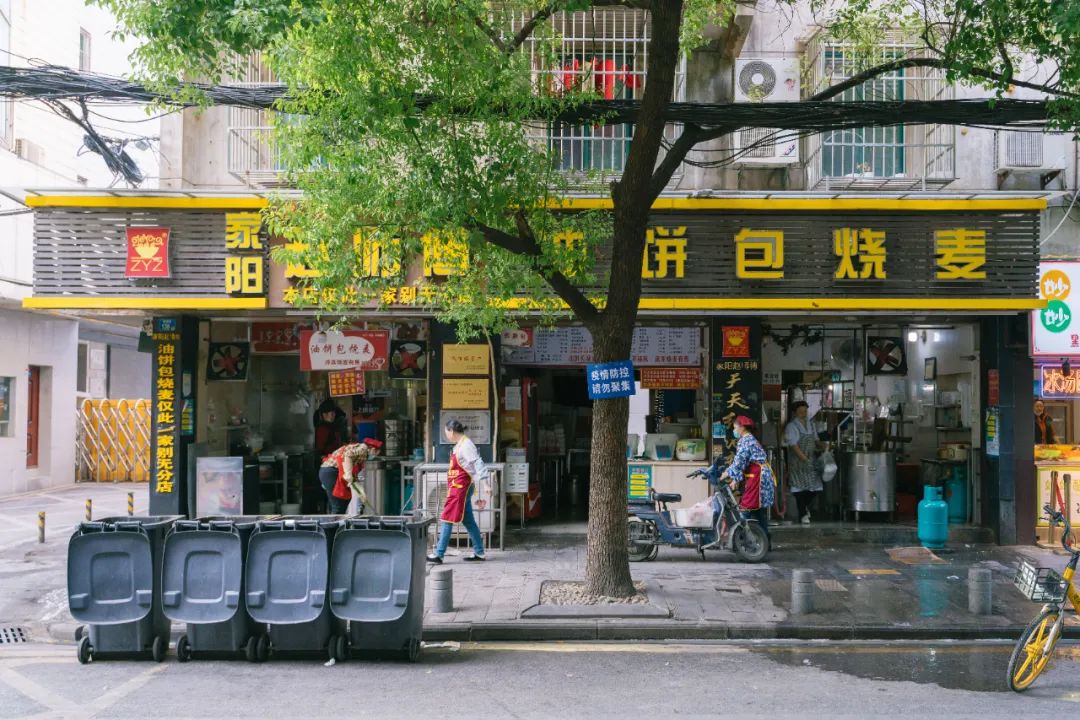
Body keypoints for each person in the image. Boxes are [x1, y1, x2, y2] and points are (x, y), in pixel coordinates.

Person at [427, 420, 488, 564]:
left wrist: (486, 483)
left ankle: (439, 554)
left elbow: (477, 462)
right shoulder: (460, 445)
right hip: (458, 487)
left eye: (446, 431)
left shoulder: (466, 445)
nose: (446, 434)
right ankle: (479, 552)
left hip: (461, 488)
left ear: (451, 431)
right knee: (468, 521)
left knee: (447, 517)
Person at [717, 415, 774, 546]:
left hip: (758, 478)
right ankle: (765, 542)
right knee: (759, 512)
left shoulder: (745, 441)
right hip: (759, 476)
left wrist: (726, 475)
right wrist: (734, 478)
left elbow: (739, 462)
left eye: (735, 427)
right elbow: (741, 463)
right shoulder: (750, 439)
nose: (734, 430)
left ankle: (741, 540)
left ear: (742, 427)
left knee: (746, 507)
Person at [784, 400, 823, 525]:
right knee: (799, 489)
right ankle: (803, 514)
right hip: (798, 462)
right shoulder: (792, 426)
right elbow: (793, 445)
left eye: (805, 411)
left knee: (815, 487)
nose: (803, 413)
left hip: (811, 459)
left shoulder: (811, 424)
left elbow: (816, 440)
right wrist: (803, 458)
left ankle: (804, 507)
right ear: (795, 412)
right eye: (800, 411)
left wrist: (824, 446)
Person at [319, 438, 382, 514]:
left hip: (330, 472)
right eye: (376, 453)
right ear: (373, 449)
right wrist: (348, 474)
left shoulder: (360, 452)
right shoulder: (363, 448)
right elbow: (348, 455)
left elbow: (353, 470)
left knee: (345, 500)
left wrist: (360, 492)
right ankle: (333, 525)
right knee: (338, 504)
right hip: (331, 472)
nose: (375, 455)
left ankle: (339, 523)